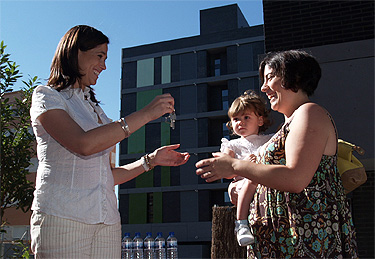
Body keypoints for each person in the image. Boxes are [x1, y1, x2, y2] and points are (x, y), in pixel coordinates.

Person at [29, 25, 190, 258]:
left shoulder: (98, 113)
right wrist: (146, 114)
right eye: (99, 56)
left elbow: (107, 176)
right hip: (62, 217)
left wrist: (151, 160)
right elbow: (84, 144)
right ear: (75, 53)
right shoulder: (47, 96)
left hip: (107, 222)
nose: (104, 65)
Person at [196, 50, 358, 258]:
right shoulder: (288, 124)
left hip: (304, 238)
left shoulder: (309, 113)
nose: (263, 87)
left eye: (270, 77)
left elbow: (295, 178)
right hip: (280, 240)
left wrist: (235, 166)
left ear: (295, 76)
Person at [220, 90, 272, 246]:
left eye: (246, 117)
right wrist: (244, 167)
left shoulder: (270, 140)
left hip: (268, 181)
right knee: (251, 178)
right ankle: (241, 223)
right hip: (244, 183)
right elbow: (226, 172)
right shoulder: (232, 145)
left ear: (260, 120)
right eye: (236, 119)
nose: (240, 122)